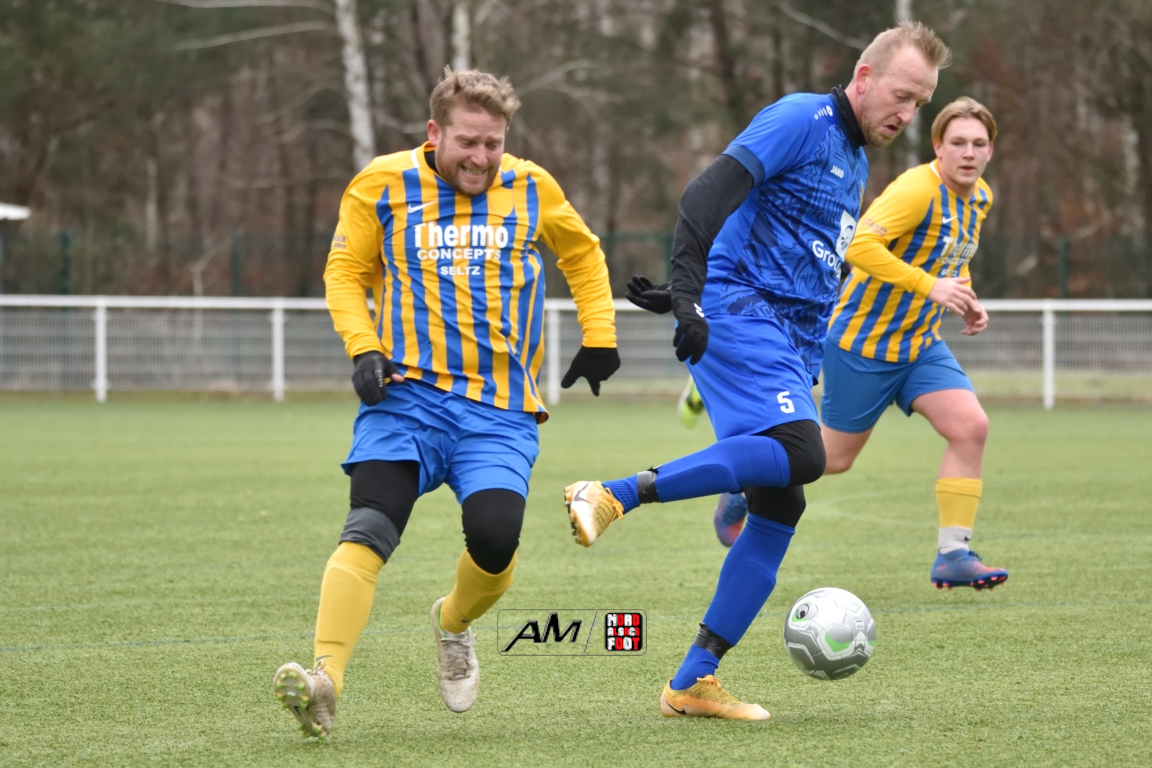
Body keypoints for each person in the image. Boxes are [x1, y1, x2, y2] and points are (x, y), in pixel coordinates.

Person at [566, 22, 950, 720]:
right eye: (902, 95)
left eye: (919, 103)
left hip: (784, 338)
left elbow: (783, 243)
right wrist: (690, 292)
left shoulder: (854, 159)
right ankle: (616, 493)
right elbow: (706, 193)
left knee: (781, 505)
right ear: (865, 78)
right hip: (743, 312)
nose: (907, 113)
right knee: (804, 453)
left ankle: (693, 680)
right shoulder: (801, 119)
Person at [273, 67, 620, 738]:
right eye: (468, 142)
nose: (482, 158)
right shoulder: (381, 184)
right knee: (370, 525)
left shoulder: (533, 187)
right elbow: (345, 272)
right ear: (434, 132)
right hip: (406, 400)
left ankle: (453, 623)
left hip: (498, 412)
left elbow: (583, 255)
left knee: (495, 539)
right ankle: (324, 680)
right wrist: (363, 347)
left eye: (494, 144)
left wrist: (599, 335)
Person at [822, 96, 1006, 591]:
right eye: (958, 143)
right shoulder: (916, 190)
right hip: (863, 344)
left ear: (990, 150)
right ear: (937, 146)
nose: (968, 153)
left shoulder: (980, 197)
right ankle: (746, 482)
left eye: (979, 144)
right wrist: (929, 286)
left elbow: (952, 259)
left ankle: (953, 554)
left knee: (970, 427)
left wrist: (967, 299)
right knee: (832, 460)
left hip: (920, 345)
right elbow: (858, 245)